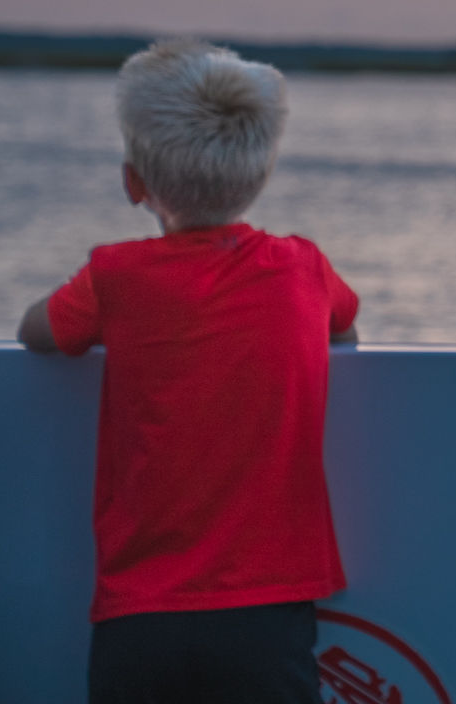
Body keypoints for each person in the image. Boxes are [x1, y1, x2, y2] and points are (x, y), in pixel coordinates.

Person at [18, 39, 359, 704]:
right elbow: (344, 326)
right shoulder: (302, 266)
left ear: (133, 183)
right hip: (268, 607)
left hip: (140, 610)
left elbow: (38, 333)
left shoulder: (114, 276)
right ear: (260, 174)